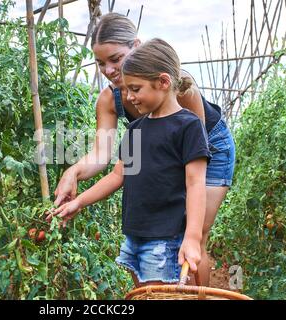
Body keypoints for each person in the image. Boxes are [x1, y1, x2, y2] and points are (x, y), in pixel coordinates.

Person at [54, 13, 235, 286]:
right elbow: (104, 157)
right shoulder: (115, 104)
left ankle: (198, 293)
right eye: (101, 63)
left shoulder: (180, 88)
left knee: (193, 233)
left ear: (136, 46)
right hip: (162, 148)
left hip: (207, 147)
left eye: (116, 59)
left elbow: (192, 154)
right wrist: (74, 172)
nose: (109, 70)